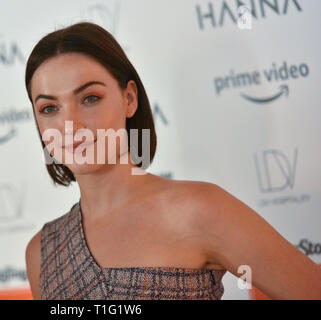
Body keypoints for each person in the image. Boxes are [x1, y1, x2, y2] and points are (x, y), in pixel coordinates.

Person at [24, 22, 321, 300]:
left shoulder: (200, 209)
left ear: (129, 99)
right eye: (49, 108)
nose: (70, 125)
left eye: (89, 98)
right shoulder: (41, 252)